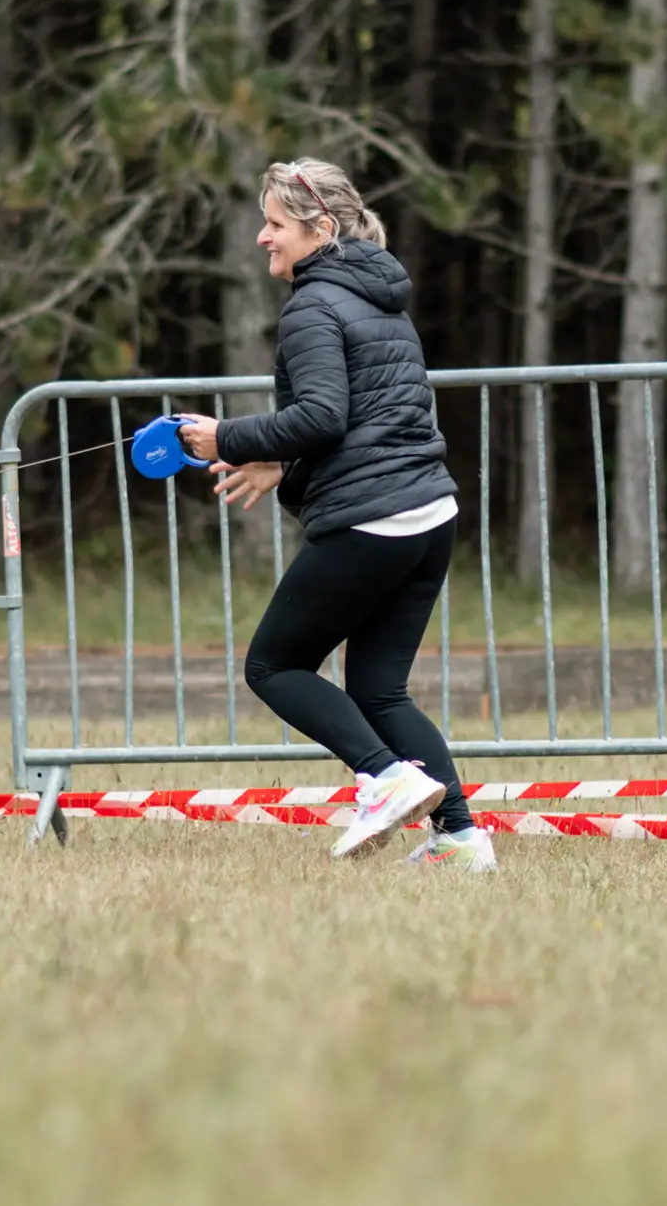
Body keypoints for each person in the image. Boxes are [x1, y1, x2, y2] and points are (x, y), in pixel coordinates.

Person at [178, 157, 495, 872]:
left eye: (276, 224)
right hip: (429, 515)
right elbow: (368, 421)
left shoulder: (312, 307)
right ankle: (462, 839)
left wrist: (223, 437)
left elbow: (321, 415)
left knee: (274, 663)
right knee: (379, 688)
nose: (263, 237)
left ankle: (385, 777)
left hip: (373, 521)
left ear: (320, 228)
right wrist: (278, 462)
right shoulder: (379, 298)